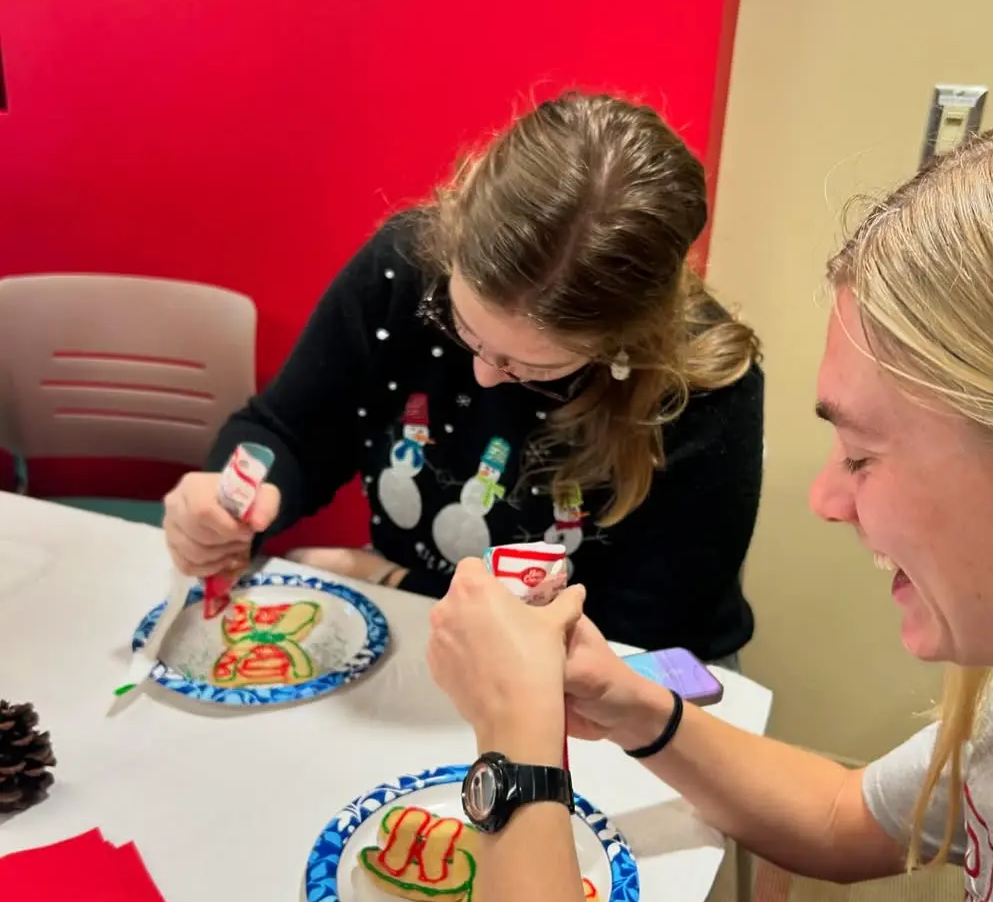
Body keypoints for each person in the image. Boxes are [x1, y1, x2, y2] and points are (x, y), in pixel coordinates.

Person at [427, 94, 993, 902]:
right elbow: (840, 817)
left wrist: (516, 753)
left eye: (865, 455)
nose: (828, 499)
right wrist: (637, 709)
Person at [162, 93, 763, 659]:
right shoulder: (405, 266)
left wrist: (396, 580)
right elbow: (292, 430)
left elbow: (636, 647)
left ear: (627, 340)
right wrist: (235, 494)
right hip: (426, 638)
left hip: (601, 685)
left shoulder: (707, 389)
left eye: (535, 368)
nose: (482, 374)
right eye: (459, 326)